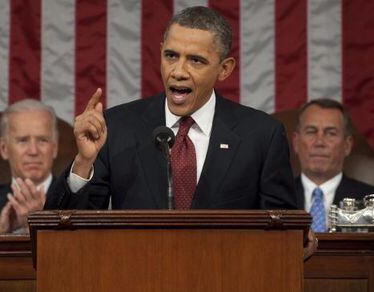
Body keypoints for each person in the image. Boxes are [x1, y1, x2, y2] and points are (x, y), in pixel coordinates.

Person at [45, 6, 297, 211]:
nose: (178, 71)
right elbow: (70, 228)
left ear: (224, 69)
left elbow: (280, 232)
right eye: (171, 56)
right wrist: (83, 162)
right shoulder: (117, 127)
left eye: (196, 60)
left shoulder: (262, 135)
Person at [0, 99, 58, 233]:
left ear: (54, 148)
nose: (33, 151)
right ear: (4, 149)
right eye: (23, 141)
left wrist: (42, 223)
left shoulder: (81, 202)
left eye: (42, 140)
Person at [293, 98, 374, 232]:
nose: (319, 142)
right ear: (296, 142)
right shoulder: (274, 198)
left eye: (331, 133)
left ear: (347, 145)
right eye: (311, 131)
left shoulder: (369, 202)